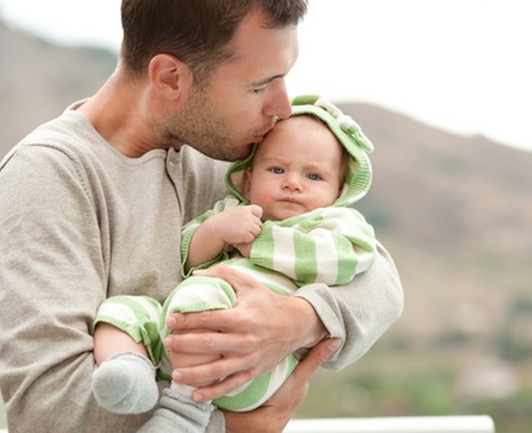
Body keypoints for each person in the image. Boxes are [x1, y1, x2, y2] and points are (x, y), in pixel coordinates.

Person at [0, 0, 403, 433]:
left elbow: (378, 274)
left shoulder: (231, 155)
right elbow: (51, 411)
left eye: (285, 78)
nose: (283, 107)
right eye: (261, 84)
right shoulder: (48, 179)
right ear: (171, 78)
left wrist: (293, 322)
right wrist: (237, 427)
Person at [91, 95, 379, 416]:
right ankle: (129, 371)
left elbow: (342, 260)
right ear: (248, 178)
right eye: (277, 169)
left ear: (339, 191)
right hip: (176, 335)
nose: (293, 183)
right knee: (121, 309)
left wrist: (259, 242)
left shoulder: (333, 223)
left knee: (204, 295)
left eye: (313, 176)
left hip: (251, 367)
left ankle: (183, 411)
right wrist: (215, 231)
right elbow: (185, 258)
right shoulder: (231, 211)